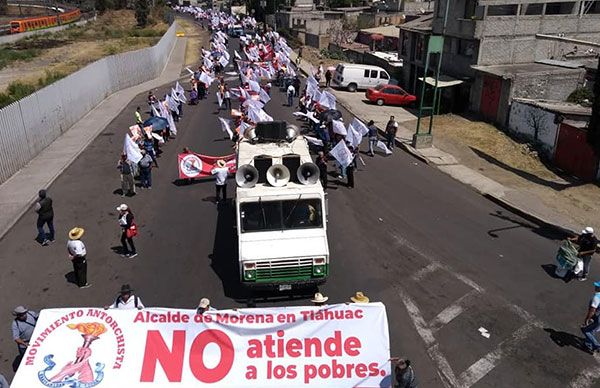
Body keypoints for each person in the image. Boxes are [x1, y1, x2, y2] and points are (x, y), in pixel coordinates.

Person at [581, 281, 600, 353]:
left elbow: (592, 310)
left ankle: (597, 345)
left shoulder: (597, 297)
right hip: (597, 317)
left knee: (585, 330)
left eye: (598, 286)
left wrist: (587, 319)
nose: (596, 287)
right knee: (592, 330)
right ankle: (588, 346)